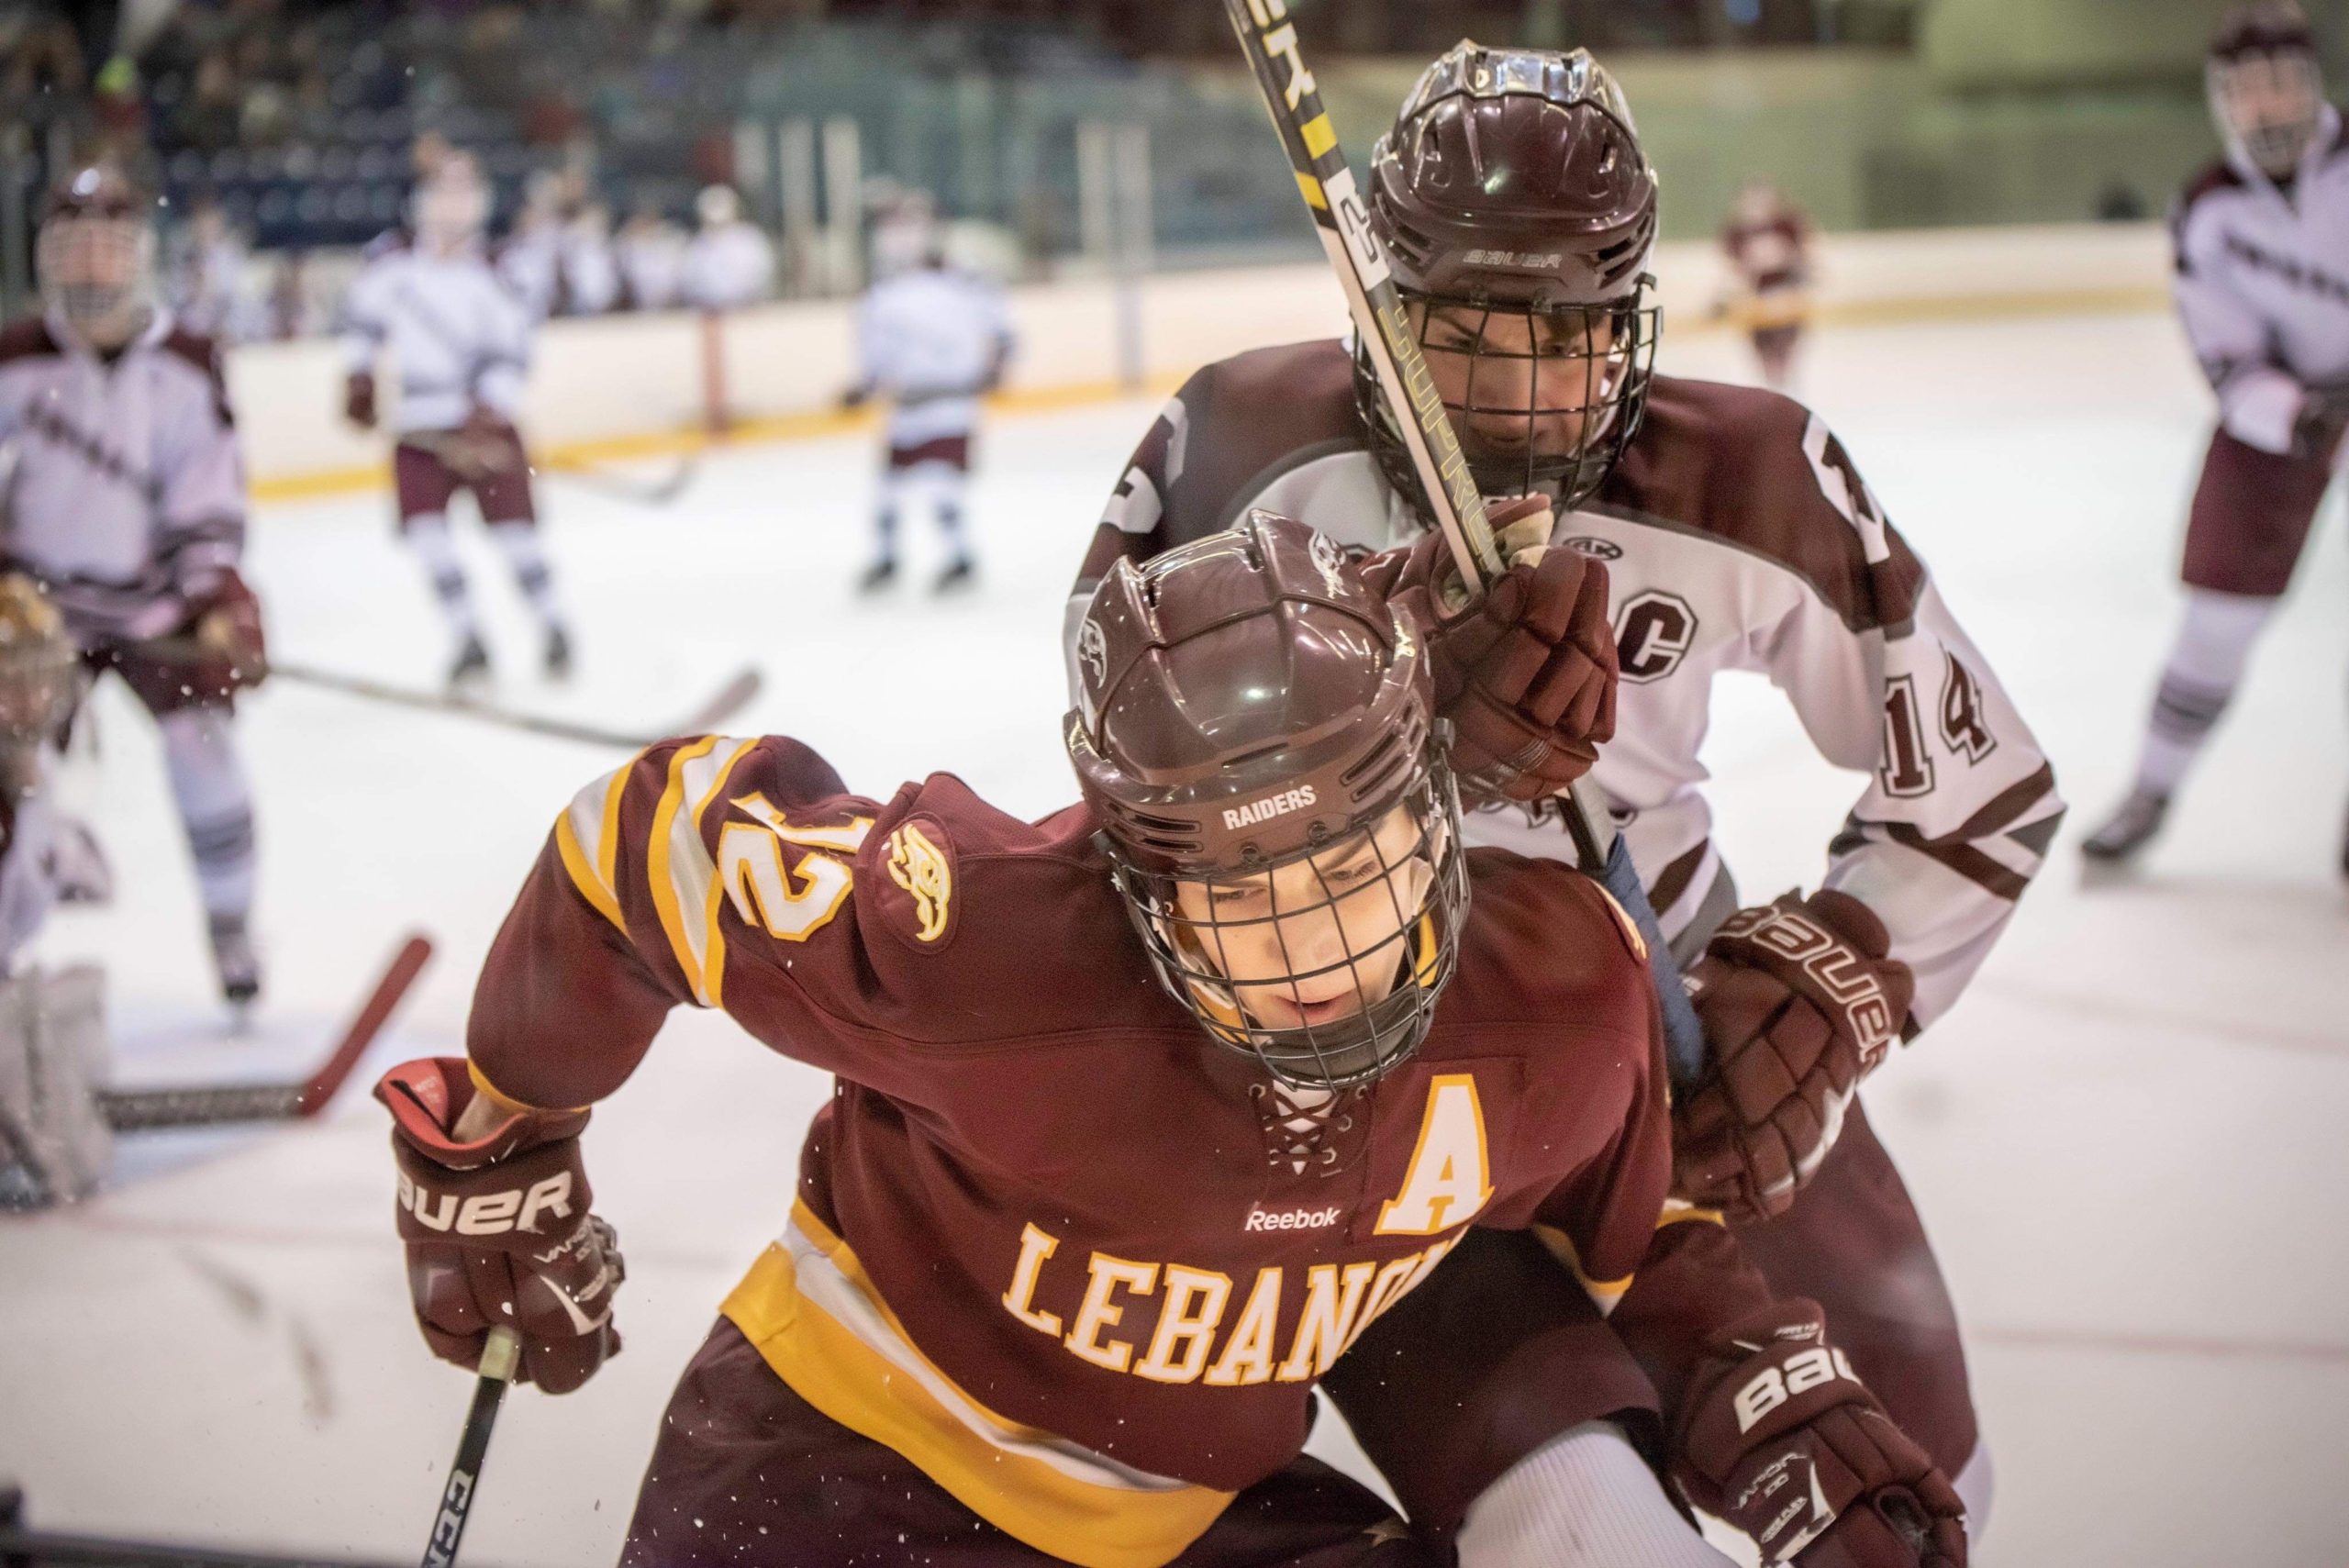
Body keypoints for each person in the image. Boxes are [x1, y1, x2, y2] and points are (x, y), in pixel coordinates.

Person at [376, 514, 1963, 1568]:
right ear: (1133, 885)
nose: (1318, 955)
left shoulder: (1556, 999)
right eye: (1241, 894)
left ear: (1438, 816)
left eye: (1355, 862)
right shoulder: (978, 947)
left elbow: (1626, 1232)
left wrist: (1769, 1396)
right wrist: (502, 1130)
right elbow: (640, 844)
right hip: (831, 1482)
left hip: (1192, 1520)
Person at [1069, 40, 2060, 1541]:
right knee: (1577, 1519)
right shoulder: (1238, 451)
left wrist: (1838, 976)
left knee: (1926, 1481)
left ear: (1635, 317)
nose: (1522, 396)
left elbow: (1984, 782)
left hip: (1680, 1023)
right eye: (1466, 334)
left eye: (1571, 333)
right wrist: (1394, 735)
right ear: (1383, 313)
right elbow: (1116, 776)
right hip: (1365, 1048)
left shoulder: (1757, 474)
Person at [2082, 1, 2348, 871]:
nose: (2268, 107)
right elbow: (2228, 359)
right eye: (2247, 90)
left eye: (2283, 84)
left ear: (2314, 85)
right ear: (2220, 100)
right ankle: (2152, 788)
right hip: (2282, 418)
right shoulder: (2208, 209)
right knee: (2218, 618)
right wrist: (2298, 416)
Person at [0, 163, 268, 1012]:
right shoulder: (12, 359)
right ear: (47, 257)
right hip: (41, 620)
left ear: (138, 256)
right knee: (16, 774)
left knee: (205, 752)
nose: (91, 265)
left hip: (158, 607)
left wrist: (212, 597)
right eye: (73, 246)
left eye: (107, 246)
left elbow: (210, 493)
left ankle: (231, 928)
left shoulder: (188, 362)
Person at [340, 152, 573, 689]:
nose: (454, 204)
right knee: (427, 536)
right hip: (418, 426)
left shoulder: (500, 269)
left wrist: (487, 414)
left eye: (464, 192)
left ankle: (554, 626)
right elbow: (361, 324)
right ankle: (468, 639)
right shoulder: (392, 264)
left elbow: (515, 352)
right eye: (444, 191)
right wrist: (359, 378)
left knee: (515, 535)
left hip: (482, 423)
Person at [841, 233, 1014, 592]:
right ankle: (955, 555)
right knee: (940, 485)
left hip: (912, 407)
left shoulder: (884, 298)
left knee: (892, 487)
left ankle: (894, 558)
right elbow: (1004, 333)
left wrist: (864, 388)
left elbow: (876, 356)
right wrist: (996, 370)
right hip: (955, 404)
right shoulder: (967, 290)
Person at [1718, 180, 1814, 391]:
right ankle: (1772, 383)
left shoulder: (1788, 223)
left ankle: (1785, 382)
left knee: (1786, 343)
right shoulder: (1736, 231)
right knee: (1762, 345)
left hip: (1786, 294)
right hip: (1755, 297)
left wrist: (1796, 267)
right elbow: (1731, 266)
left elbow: (1805, 254)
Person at [679, 183, 774, 311]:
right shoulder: (696, 245)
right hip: (708, 312)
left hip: (747, 311)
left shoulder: (750, 239)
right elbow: (688, 282)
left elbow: (760, 276)